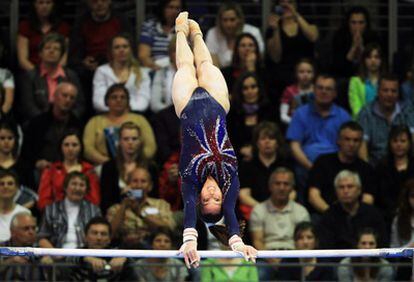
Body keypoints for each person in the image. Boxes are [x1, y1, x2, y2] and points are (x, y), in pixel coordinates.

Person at [172, 12, 257, 268]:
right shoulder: (230, 177)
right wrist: (237, 242)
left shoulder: (190, 179)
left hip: (186, 104)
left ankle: (179, 31)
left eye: (205, 200)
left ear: (199, 199)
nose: (211, 194)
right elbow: (231, 214)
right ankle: (196, 33)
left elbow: (188, 209)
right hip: (218, 104)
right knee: (206, 66)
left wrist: (189, 240)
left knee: (186, 67)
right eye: (216, 199)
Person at [286, 73, 351, 202]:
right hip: (307, 166)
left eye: (328, 89)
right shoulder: (301, 113)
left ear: (335, 93)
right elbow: (294, 146)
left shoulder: (343, 115)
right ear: (314, 90)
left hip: (336, 167)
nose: (323, 92)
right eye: (320, 88)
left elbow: (349, 145)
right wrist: (311, 167)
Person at [308, 121, 375, 215]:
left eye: (356, 140)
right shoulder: (322, 162)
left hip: (356, 217)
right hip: (325, 215)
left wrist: (355, 216)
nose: (351, 144)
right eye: (347, 139)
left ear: (361, 143)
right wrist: (332, 214)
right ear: (338, 141)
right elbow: (313, 196)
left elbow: (368, 199)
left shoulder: (366, 169)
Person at [83, 83, 156, 165]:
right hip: (103, 165)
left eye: (123, 97)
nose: (119, 100)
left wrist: (134, 161)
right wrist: (109, 163)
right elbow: (88, 149)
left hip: (137, 164)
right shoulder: (94, 122)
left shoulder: (140, 120)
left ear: (128, 101)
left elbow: (150, 147)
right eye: (114, 97)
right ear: (107, 101)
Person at [19, 33, 84, 123]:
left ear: (61, 55)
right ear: (40, 53)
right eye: (47, 48)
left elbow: (80, 105)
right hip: (37, 124)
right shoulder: (30, 76)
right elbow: (28, 107)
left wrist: (68, 120)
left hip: (66, 124)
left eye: (56, 49)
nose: (51, 51)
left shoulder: (71, 76)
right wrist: (46, 122)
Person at [20, 81, 83, 173]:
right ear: (54, 96)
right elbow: (26, 153)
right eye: (64, 95)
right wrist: (36, 162)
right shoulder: (37, 123)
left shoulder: (77, 124)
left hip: (69, 170)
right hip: (42, 170)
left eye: (72, 98)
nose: (68, 100)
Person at [106, 166, 175, 249]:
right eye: (135, 181)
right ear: (128, 184)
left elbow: (168, 229)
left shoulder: (161, 205)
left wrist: (139, 212)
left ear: (150, 186)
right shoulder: (116, 209)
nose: (139, 185)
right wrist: (124, 206)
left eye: (143, 181)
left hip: (153, 249)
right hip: (125, 249)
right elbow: (110, 234)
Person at [38, 172, 101, 259]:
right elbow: (42, 237)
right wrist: (54, 254)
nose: (77, 188)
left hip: (86, 257)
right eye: (74, 184)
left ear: (86, 190)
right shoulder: (51, 209)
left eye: (82, 185)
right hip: (57, 256)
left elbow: (100, 236)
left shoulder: (94, 210)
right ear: (65, 187)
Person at [317, 170, 386, 249]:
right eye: (341, 187)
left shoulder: (373, 214)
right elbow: (326, 248)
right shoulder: (328, 217)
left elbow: (382, 244)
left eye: (350, 186)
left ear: (359, 190)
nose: (345, 191)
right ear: (336, 192)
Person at [100, 122, 158, 214]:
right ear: (119, 141)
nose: (130, 142)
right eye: (126, 139)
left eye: (134, 139)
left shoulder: (151, 167)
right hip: (116, 213)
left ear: (140, 141)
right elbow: (106, 200)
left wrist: (129, 194)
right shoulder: (109, 167)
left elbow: (155, 197)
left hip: (146, 213)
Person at [238, 121, 291, 220]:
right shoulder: (247, 166)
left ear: (277, 143)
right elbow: (243, 195)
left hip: (282, 210)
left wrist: (277, 209)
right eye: (263, 139)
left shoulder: (286, 164)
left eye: (271, 138)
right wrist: (264, 210)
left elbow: (292, 193)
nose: (267, 142)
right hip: (255, 211)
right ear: (257, 143)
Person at [265, 0, 318, 97]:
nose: (286, 6)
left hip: (307, 73)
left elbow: (313, 37)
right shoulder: (273, 28)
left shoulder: (306, 20)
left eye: (290, 2)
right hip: (284, 77)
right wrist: (275, 28)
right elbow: (275, 56)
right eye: (283, 3)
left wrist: (296, 15)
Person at [358, 74, 414, 165]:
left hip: (404, 166)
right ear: (378, 91)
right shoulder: (366, 113)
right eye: (385, 90)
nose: (389, 94)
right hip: (375, 167)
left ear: (398, 93)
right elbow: (362, 148)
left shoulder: (407, 111)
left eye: (393, 91)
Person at [37, 130, 100, 211]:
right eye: (66, 145)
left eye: (74, 145)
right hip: (55, 214)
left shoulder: (89, 170)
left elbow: (95, 200)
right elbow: (43, 201)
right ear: (61, 147)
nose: (70, 149)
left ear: (81, 147)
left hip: (84, 214)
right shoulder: (50, 170)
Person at [250, 167, 310, 251]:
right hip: (266, 257)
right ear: (270, 186)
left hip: (293, 257)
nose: (281, 188)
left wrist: (289, 262)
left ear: (292, 188)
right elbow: (257, 242)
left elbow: (304, 242)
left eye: (286, 184)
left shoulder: (301, 211)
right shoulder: (258, 210)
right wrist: (274, 261)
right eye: (277, 183)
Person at [93, 33, 151, 113]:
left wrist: (124, 109)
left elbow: (143, 101)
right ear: (111, 51)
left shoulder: (142, 72)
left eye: (125, 46)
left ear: (130, 49)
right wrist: (118, 109)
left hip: (135, 115)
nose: (121, 50)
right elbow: (98, 101)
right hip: (107, 116)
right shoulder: (101, 71)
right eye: (117, 47)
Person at [68, 217, 137, 281]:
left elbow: (135, 260)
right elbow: (67, 258)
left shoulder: (115, 253)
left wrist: (124, 259)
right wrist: (87, 258)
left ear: (109, 239)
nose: (99, 238)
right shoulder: (79, 252)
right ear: (85, 237)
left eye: (103, 234)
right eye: (94, 233)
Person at [227, 72, 274, 161]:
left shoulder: (269, 111)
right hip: (238, 158)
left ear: (259, 89)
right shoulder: (232, 114)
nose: (250, 91)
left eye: (253, 87)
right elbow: (228, 140)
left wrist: (256, 151)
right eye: (245, 88)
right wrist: (240, 150)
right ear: (240, 92)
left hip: (266, 156)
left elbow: (275, 138)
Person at [376, 125, 414, 228]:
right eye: (395, 141)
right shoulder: (381, 166)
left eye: (403, 141)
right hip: (387, 215)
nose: (399, 145)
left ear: (409, 143)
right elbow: (380, 194)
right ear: (390, 143)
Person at [205, 2, 264, 68]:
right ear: (220, 21)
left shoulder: (253, 32)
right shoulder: (213, 33)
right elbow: (213, 66)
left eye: (232, 20)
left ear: (239, 19)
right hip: (222, 75)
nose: (228, 24)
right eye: (225, 20)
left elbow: (259, 60)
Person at [17, 0, 70, 71]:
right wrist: (39, 75)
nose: (44, 6)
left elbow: (64, 58)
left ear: (53, 5)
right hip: (31, 73)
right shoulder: (25, 26)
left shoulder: (63, 27)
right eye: (40, 2)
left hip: (56, 72)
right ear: (34, 5)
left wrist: (53, 73)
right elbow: (22, 60)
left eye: (48, 2)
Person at [332, 6, 381, 78]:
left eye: (361, 23)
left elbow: (373, 64)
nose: (357, 26)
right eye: (353, 23)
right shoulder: (339, 37)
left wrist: (361, 47)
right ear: (348, 24)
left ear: (366, 24)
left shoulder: (373, 38)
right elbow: (339, 68)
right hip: (344, 77)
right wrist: (353, 47)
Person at [138, 0, 184, 70]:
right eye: (170, 7)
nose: (174, 11)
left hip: (179, 69)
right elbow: (143, 56)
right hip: (154, 69)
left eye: (177, 8)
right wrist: (159, 70)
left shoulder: (185, 29)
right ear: (162, 9)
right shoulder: (149, 26)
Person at [0, 213, 45, 281]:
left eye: (33, 228)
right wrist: (9, 262)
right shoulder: (2, 248)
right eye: (26, 229)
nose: (31, 232)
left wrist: (48, 265)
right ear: (13, 232)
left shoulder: (41, 251)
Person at [349, 43, 386, 119]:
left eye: (376, 57)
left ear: (381, 60)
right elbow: (356, 110)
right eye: (369, 57)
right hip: (361, 124)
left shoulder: (386, 82)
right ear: (364, 60)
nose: (373, 60)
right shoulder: (355, 82)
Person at [280, 58, 315, 125]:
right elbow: (283, 116)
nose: (305, 75)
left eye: (309, 72)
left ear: (313, 74)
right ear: (296, 74)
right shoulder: (289, 91)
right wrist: (297, 123)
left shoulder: (318, 90)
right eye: (301, 72)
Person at [0, 170, 31, 242]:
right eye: (1, 184)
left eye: (10, 183)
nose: (6, 186)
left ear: (17, 188)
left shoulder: (25, 213)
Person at [150, 36, 177, 113]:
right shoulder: (161, 72)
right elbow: (155, 104)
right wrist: (170, 113)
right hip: (166, 116)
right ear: (170, 54)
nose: (180, 53)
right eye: (175, 50)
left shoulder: (197, 73)